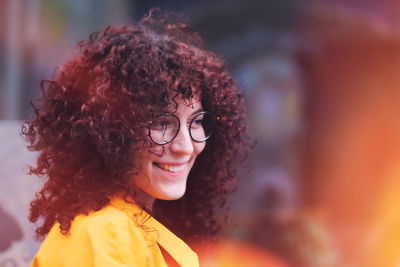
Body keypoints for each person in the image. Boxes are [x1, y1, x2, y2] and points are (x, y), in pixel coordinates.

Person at [22, 8, 251, 267]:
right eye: (162, 123)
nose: (186, 147)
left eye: (197, 122)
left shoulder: (130, 224)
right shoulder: (106, 232)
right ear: (110, 131)